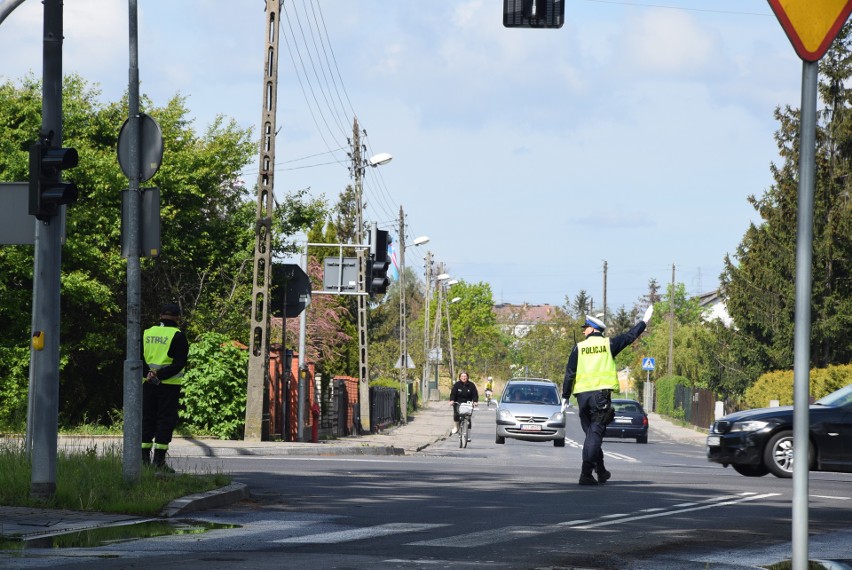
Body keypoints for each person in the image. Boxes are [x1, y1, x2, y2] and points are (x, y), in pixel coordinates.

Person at [563, 307, 653, 486]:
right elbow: (629, 336)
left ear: (592, 329)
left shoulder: (578, 348)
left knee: (591, 435)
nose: (583, 330)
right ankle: (586, 473)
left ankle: (601, 471)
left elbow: (569, 373)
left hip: (582, 398)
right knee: (594, 435)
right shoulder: (608, 345)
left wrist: (565, 396)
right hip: (600, 397)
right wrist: (643, 322)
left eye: (585, 327)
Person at [142, 302, 190, 472]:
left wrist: (148, 374)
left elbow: (138, 358)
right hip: (168, 385)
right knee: (165, 420)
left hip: (147, 384)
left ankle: (143, 460)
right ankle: (159, 462)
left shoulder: (147, 333)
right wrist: (160, 375)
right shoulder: (178, 335)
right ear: (178, 318)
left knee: (147, 419)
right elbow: (179, 364)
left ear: (160, 316)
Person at [449, 371, 479, 435]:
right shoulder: (457, 385)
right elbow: (453, 394)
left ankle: (469, 434)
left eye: (465, 376)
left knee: (468, 418)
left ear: (467, 377)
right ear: (460, 377)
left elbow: (475, 394)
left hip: (468, 403)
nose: (464, 378)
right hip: (458, 402)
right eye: (462, 376)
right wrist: (452, 400)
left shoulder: (471, 385)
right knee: (456, 415)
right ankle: (456, 427)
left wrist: (475, 401)